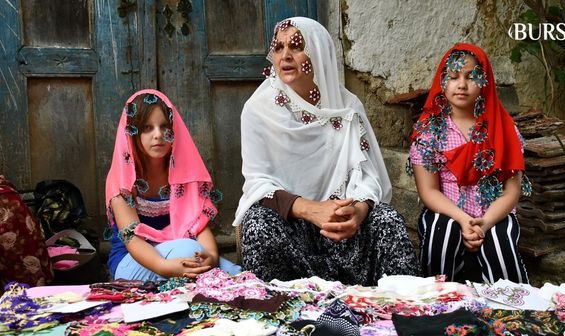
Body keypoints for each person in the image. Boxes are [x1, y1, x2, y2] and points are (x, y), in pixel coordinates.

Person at [234, 17, 420, 286]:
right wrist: (311, 210)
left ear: (318, 53)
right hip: (292, 229)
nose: (285, 55)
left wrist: (357, 211)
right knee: (258, 224)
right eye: (278, 47)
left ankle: (405, 309)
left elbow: (367, 174)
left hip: (342, 229)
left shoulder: (347, 107)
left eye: (297, 46)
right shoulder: (258, 110)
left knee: (386, 219)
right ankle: (280, 309)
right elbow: (258, 182)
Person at [409, 43, 531, 284]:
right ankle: (439, 307)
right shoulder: (430, 133)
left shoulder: (504, 130)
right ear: (442, 81)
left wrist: (484, 224)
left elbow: (511, 190)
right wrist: (463, 220)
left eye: (471, 77)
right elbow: (429, 190)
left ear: (485, 82)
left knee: (500, 245)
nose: (462, 84)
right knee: (440, 236)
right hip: (446, 211)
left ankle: (513, 314)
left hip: (494, 215)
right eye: (453, 77)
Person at [105, 89, 240, 281]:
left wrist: (210, 256)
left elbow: (199, 225)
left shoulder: (183, 174)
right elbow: (131, 239)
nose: (158, 135)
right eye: (146, 128)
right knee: (189, 249)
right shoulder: (122, 179)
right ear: (131, 134)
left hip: (178, 255)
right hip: (132, 262)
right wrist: (165, 266)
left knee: (236, 273)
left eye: (164, 127)